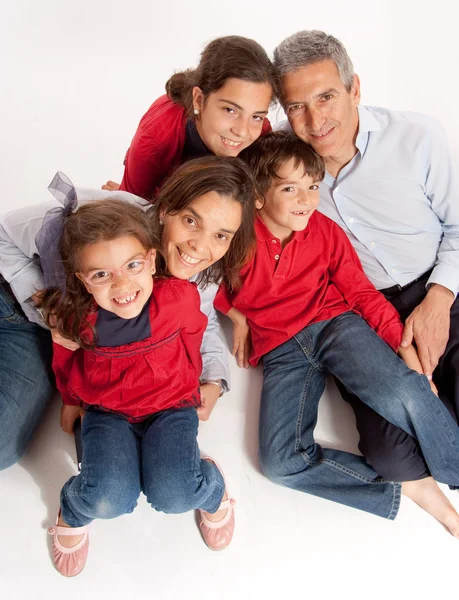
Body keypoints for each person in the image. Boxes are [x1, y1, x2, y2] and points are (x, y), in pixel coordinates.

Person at [215, 131, 459, 535]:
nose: (306, 200)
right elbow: (208, 282)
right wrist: (237, 315)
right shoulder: (237, 235)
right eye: (290, 189)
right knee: (280, 462)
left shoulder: (326, 232)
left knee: (406, 390)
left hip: (335, 325)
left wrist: (407, 352)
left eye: (312, 187)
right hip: (280, 349)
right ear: (257, 195)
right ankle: (404, 491)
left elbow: (362, 294)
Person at [272, 30, 459, 483]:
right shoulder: (278, 165)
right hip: (363, 314)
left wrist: (438, 298)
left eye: (327, 97)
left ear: (355, 88)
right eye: (297, 106)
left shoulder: (417, 136)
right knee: (393, 459)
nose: (315, 120)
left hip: (442, 286)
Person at [0, 156, 258, 470]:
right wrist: (48, 305)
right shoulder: (105, 218)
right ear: (166, 209)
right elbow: (4, 233)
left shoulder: (204, 265)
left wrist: (214, 378)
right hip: (14, 307)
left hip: (71, 341)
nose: (199, 247)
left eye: (221, 235)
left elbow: (202, 321)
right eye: (191, 221)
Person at [37, 199, 235, 577]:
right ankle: (73, 509)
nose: (123, 285)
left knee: (175, 494)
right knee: (108, 498)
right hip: (107, 412)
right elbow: (65, 362)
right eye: (101, 275)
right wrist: (70, 399)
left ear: (151, 260)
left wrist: (197, 384)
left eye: (132, 266)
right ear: (82, 279)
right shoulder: (75, 319)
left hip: (171, 406)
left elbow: (192, 337)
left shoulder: (178, 299)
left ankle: (211, 486)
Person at [102, 35, 276, 199]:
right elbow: (133, 207)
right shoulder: (156, 138)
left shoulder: (260, 133)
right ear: (199, 100)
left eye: (257, 116)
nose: (242, 131)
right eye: (230, 110)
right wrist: (132, 198)